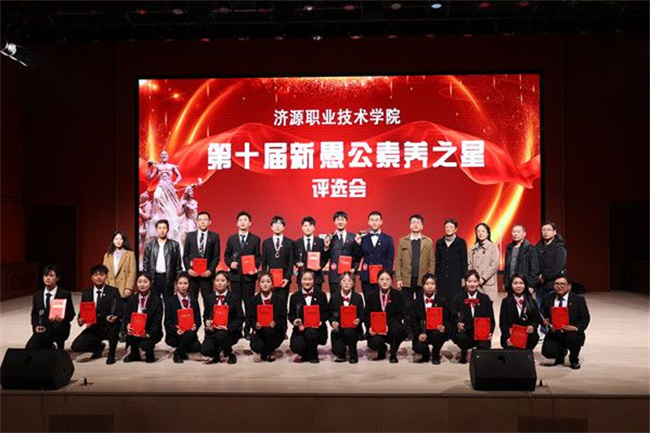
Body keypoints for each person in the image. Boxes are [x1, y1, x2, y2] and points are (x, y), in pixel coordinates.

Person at [71, 265, 123, 364]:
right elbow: (83, 311)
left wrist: (115, 317)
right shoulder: (86, 292)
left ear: (106, 276)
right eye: (96, 275)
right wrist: (80, 319)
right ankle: (98, 347)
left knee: (115, 327)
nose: (99, 277)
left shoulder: (113, 291)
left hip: (109, 325)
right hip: (94, 327)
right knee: (76, 346)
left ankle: (111, 353)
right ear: (91, 277)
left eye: (101, 275)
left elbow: (120, 309)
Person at [224, 211, 261, 339]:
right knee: (236, 304)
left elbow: (258, 257)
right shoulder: (231, 239)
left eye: (245, 220)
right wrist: (230, 263)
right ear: (237, 223)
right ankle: (237, 328)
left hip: (248, 277)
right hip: (235, 276)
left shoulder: (255, 239)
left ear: (250, 223)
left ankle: (248, 328)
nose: (243, 222)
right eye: (240, 220)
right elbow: (226, 255)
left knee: (249, 303)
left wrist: (255, 267)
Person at [540, 276, 590, 369]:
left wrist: (576, 328)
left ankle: (574, 359)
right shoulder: (547, 298)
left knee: (574, 339)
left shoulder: (578, 300)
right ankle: (560, 355)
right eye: (557, 284)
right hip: (554, 332)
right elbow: (542, 314)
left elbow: (585, 318)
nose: (559, 286)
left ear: (569, 286)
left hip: (571, 332)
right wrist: (544, 321)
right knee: (548, 352)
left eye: (562, 284)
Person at [26, 265, 75, 352]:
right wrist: (36, 326)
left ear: (57, 278)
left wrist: (62, 319)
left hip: (59, 327)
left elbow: (71, 314)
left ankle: (59, 346)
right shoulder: (37, 294)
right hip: (43, 328)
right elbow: (35, 314)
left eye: (51, 275)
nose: (47, 278)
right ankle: (49, 345)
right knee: (30, 348)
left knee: (57, 326)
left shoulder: (64, 294)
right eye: (45, 275)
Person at [201, 271, 245, 364]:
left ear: (228, 282)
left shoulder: (235, 298)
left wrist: (228, 328)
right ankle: (217, 351)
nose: (219, 283)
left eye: (222, 280)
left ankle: (230, 353)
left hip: (229, 331)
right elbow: (206, 315)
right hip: (214, 330)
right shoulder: (209, 298)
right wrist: (207, 322)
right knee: (205, 350)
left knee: (221, 335)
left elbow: (240, 318)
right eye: (217, 280)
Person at [452, 270, 495, 364]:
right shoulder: (459, 298)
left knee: (484, 348)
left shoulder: (485, 298)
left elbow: (491, 319)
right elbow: (453, 316)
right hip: (465, 332)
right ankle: (464, 351)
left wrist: (490, 332)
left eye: (475, 281)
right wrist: (457, 324)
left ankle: (475, 352)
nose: (472, 284)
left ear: (478, 282)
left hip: (480, 333)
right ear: (465, 282)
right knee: (461, 337)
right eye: (469, 281)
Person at [364, 270, 406, 363]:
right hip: (376, 329)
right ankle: (381, 350)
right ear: (377, 280)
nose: (384, 282)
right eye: (382, 279)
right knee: (374, 343)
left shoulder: (398, 295)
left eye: (387, 279)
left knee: (398, 329)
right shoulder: (371, 296)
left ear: (392, 281)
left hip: (391, 327)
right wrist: (369, 327)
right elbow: (367, 315)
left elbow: (400, 315)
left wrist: (387, 325)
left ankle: (393, 354)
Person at [410, 274, 452, 365]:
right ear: (422, 285)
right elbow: (413, 321)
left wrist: (444, 327)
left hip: (435, 332)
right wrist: (419, 334)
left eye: (432, 284)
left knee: (438, 335)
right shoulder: (416, 302)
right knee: (418, 347)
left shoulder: (442, 301)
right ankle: (425, 354)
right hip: (422, 332)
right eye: (427, 284)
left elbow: (447, 319)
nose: (430, 286)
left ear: (435, 285)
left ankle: (435, 354)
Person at [288, 270, 329, 363]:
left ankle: (313, 355)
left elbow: (326, 312)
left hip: (317, 329)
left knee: (311, 333)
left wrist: (321, 321)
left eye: (310, 279)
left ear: (314, 280)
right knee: (296, 347)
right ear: (300, 280)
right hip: (301, 329)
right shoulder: (294, 297)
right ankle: (306, 351)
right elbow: (291, 315)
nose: (307, 282)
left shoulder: (321, 295)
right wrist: (295, 321)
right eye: (304, 279)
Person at [123, 272, 164, 363]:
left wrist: (147, 334)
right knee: (131, 335)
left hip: (150, 331)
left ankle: (149, 353)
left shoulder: (157, 300)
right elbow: (127, 317)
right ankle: (134, 354)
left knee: (146, 345)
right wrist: (128, 325)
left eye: (145, 282)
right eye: (139, 282)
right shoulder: (132, 299)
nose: (142, 284)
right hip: (135, 331)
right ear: (136, 283)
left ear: (150, 283)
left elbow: (157, 322)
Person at [353, 211, 395, 298]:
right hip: (367, 277)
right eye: (372, 220)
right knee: (368, 301)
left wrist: (387, 276)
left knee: (383, 302)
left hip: (382, 277)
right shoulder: (363, 238)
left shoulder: (388, 239)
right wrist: (357, 244)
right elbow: (357, 257)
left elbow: (390, 259)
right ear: (368, 222)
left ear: (381, 222)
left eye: (377, 220)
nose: (374, 222)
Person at [248, 272, 287, 362]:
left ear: (272, 284)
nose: (265, 284)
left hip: (275, 332)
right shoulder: (253, 300)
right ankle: (265, 350)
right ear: (259, 284)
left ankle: (271, 350)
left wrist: (275, 323)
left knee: (269, 331)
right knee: (257, 346)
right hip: (259, 331)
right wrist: (255, 324)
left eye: (268, 282)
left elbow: (283, 318)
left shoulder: (280, 300)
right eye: (262, 282)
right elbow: (250, 318)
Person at [395, 214, 436, 301]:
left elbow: (431, 261)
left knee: (421, 304)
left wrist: (430, 278)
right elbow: (398, 261)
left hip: (423, 279)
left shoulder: (428, 241)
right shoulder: (402, 241)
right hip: (406, 279)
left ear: (422, 226)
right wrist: (398, 278)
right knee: (406, 305)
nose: (416, 224)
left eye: (418, 222)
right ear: (409, 225)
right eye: (413, 222)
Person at [183, 211, 221, 303]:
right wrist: (188, 269)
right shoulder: (190, 236)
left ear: (210, 222)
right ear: (197, 222)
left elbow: (216, 256)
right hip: (193, 275)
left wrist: (210, 270)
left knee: (208, 301)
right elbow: (185, 255)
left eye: (205, 219)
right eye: (200, 220)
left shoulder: (215, 236)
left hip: (207, 276)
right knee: (192, 301)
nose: (203, 222)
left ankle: (207, 314)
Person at [164, 272, 202, 363]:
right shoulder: (170, 301)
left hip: (190, 332)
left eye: (185, 283)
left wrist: (195, 326)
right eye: (180, 283)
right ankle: (178, 354)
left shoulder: (194, 301)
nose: (183, 286)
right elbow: (167, 322)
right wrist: (176, 330)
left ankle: (180, 350)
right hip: (176, 334)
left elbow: (198, 320)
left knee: (197, 347)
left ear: (189, 285)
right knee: (188, 341)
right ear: (176, 285)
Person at [142, 219, 182, 303]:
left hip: (168, 278)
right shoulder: (150, 245)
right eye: (159, 228)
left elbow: (178, 265)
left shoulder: (174, 245)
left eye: (164, 228)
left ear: (168, 229)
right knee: (154, 304)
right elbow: (146, 264)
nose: (162, 230)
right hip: (154, 278)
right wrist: (147, 280)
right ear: (156, 229)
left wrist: (177, 281)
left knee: (169, 303)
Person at [328, 271, 364, 363]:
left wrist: (359, 320)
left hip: (353, 329)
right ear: (340, 283)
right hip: (339, 329)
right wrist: (332, 322)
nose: (347, 283)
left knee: (350, 331)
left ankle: (353, 354)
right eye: (344, 281)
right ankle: (342, 352)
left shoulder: (358, 297)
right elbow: (330, 314)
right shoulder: (334, 297)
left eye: (350, 281)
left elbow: (362, 314)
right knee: (338, 350)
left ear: (353, 283)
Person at [499, 275, 540, 350]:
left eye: (521, 283)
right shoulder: (506, 301)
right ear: (511, 285)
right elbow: (503, 323)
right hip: (511, 335)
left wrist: (532, 327)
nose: (518, 286)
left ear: (525, 285)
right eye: (515, 283)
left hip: (527, 335)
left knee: (533, 337)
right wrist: (507, 337)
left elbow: (535, 319)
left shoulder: (531, 301)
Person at [261, 215, 294, 300]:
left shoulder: (289, 242)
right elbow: (264, 262)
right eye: (275, 224)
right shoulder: (266, 243)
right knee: (270, 303)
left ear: (284, 227)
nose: (277, 226)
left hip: (284, 280)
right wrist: (265, 279)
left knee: (283, 303)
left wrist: (287, 278)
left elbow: (291, 262)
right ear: (271, 227)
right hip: (270, 280)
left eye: (280, 224)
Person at [293, 216, 330, 292]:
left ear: (314, 228)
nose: (308, 228)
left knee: (317, 297)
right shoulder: (296, 243)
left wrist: (320, 266)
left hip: (317, 277)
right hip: (302, 277)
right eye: (305, 225)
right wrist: (297, 263)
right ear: (302, 227)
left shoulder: (321, 241)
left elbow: (325, 257)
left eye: (310, 225)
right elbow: (293, 258)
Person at [435, 218, 468, 302]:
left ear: (456, 229)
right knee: (442, 300)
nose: (448, 229)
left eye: (451, 227)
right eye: (446, 227)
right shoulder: (439, 242)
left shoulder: (461, 242)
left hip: (456, 278)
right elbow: (437, 261)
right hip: (442, 278)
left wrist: (464, 277)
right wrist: (436, 277)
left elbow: (464, 261)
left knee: (455, 301)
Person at [535, 221, 568, 305]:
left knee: (553, 309)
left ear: (554, 232)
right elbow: (534, 263)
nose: (546, 232)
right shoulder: (538, 246)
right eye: (543, 230)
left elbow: (558, 266)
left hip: (554, 284)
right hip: (540, 284)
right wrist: (538, 275)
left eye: (549, 230)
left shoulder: (559, 247)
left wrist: (545, 276)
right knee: (540, 309)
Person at [326, 211, 358, 295]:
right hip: (334, 276)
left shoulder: (353, 237)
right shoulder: (330, 237)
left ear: (346, 221)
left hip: (349, 276)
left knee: (349, 300)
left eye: (342, 219)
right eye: (338, 219)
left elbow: (358, 255)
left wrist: (354, 268)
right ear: (334, 222)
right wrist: (326, 247)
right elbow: (325, 256)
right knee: (335, 300)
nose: (340, 222)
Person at [503, 224, 539, 294]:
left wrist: (531, 285)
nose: (515, 234)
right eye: (514, 232)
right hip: (511, 284)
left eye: (518, 232)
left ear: (524, 234)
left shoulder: (530, 249)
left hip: (524, 284)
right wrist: (505, 282)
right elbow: (506, 267)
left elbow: (534, 269)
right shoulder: (509, 248)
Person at [467, 223, 499, 298]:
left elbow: (494, 265)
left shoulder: (493, 246)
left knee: (487, 303)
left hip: (487, 283)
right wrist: (472, 279)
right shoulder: (472, 248)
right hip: (474, 284)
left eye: (483, 231)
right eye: (478, 231)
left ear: (488, 233)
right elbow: (469, 264)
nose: (480, 233)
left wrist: (483, 278)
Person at [103, 230, 137, 299]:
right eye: (116, 239)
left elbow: (132, 272)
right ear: (113, 240)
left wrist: (129, 287)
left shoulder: (130, 254)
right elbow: (104, 272)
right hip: (110, 285)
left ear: (124, 241)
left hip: (124, 286)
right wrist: (106, 285)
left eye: (120, 239)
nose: (118, 241)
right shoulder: (107, 255)